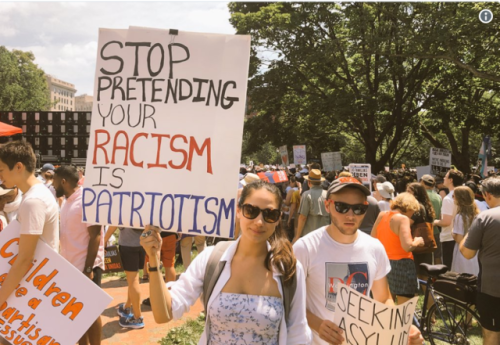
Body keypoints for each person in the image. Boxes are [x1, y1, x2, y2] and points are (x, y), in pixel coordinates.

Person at [141, 180, 312, 344]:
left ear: (278, 218)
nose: (259, 222)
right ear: (238, 211)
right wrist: (154, 258)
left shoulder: (289, 269)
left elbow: (298, 334)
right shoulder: (211, 259)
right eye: (250, 210)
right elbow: (164, 314)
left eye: (270, 214)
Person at [293, 177, 424, 345]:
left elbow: (383, 299)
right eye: (341, 207)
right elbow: (291, 302)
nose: (350, 215)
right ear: (328, 206)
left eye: (358, 209)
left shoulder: (374, 247)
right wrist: (317, 324)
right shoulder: (305, 247)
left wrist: (401, 328)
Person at [0, 141, 59, 344]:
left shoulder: (34, 201)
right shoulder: (37, 194)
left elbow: (25, 258)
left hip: (29, 290)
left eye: (1, 170)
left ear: (18, 166)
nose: (0, 176)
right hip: (32, 288)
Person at [53, 166, 104, 345]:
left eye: (55, 180)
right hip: (71, 267)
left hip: (86, 267)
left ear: (64, 181)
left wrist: (88, 269)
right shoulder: (67, 201)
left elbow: (96, 235)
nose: (52, 184)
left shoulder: (87, 199)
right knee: (76, 314)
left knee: (91, 312)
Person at [459, 176, 500, 345]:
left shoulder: (485, 217)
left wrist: (471, 230)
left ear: (487, 195)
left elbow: (467, 252)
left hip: (492, 288)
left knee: (491, 333)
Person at [371, 193, 424, 304]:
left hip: (383, 263)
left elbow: (373, 238)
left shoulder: (382, 215)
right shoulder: (403, 219)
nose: (413, 214)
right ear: (409, 207)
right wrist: (418, 241)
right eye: (414, 211)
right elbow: (407, 246)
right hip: (402, 265)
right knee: (403, 309)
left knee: (385, 304)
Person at [104, 226, 146, 329]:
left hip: (128, 244)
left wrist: (104, 240)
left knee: (133, 280)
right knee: (133, 279)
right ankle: (127, 306)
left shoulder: (124, 208)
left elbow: (115, 223)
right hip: (142, 244)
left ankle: (137, 317)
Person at [434, 169, 463, 269]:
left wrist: (434, 222)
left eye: (445, 177)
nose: (443, 178)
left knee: (449, 271)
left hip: (449, 237)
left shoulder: (448, 198)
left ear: (451, 180)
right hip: (462, 236)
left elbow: (446, 222)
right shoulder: (464, 195)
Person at [406, 182, 436, 277]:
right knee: (424, 273)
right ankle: (427, 291)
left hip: (418, 242)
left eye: (409, 191)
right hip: (425, 243)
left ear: (416, 193)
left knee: (418, 273)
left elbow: (408, 223)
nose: (406, 194)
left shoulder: (417, 207)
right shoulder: (425, 205)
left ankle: (423, 291)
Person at [293, 169, 330, 242]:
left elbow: (302, 217)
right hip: (325, 236)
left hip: (309, 236)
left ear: (309, 182)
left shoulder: (306, 195)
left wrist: (297, 236)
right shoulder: (327, 195)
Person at [450, 186, 479, 275]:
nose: (453, 198)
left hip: (463, 252)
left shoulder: (461, 216)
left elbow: (459, 239)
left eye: (454, 196)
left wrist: (452, 231)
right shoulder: (477, 214)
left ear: (460, 198)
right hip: (475, 251)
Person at [420, 174, 442, 264]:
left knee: (424, 258)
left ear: (422, 182)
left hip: (423, 230)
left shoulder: (421, 195)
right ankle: (438, 276)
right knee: (437, 256)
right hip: (436, 229)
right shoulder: (439, 196)